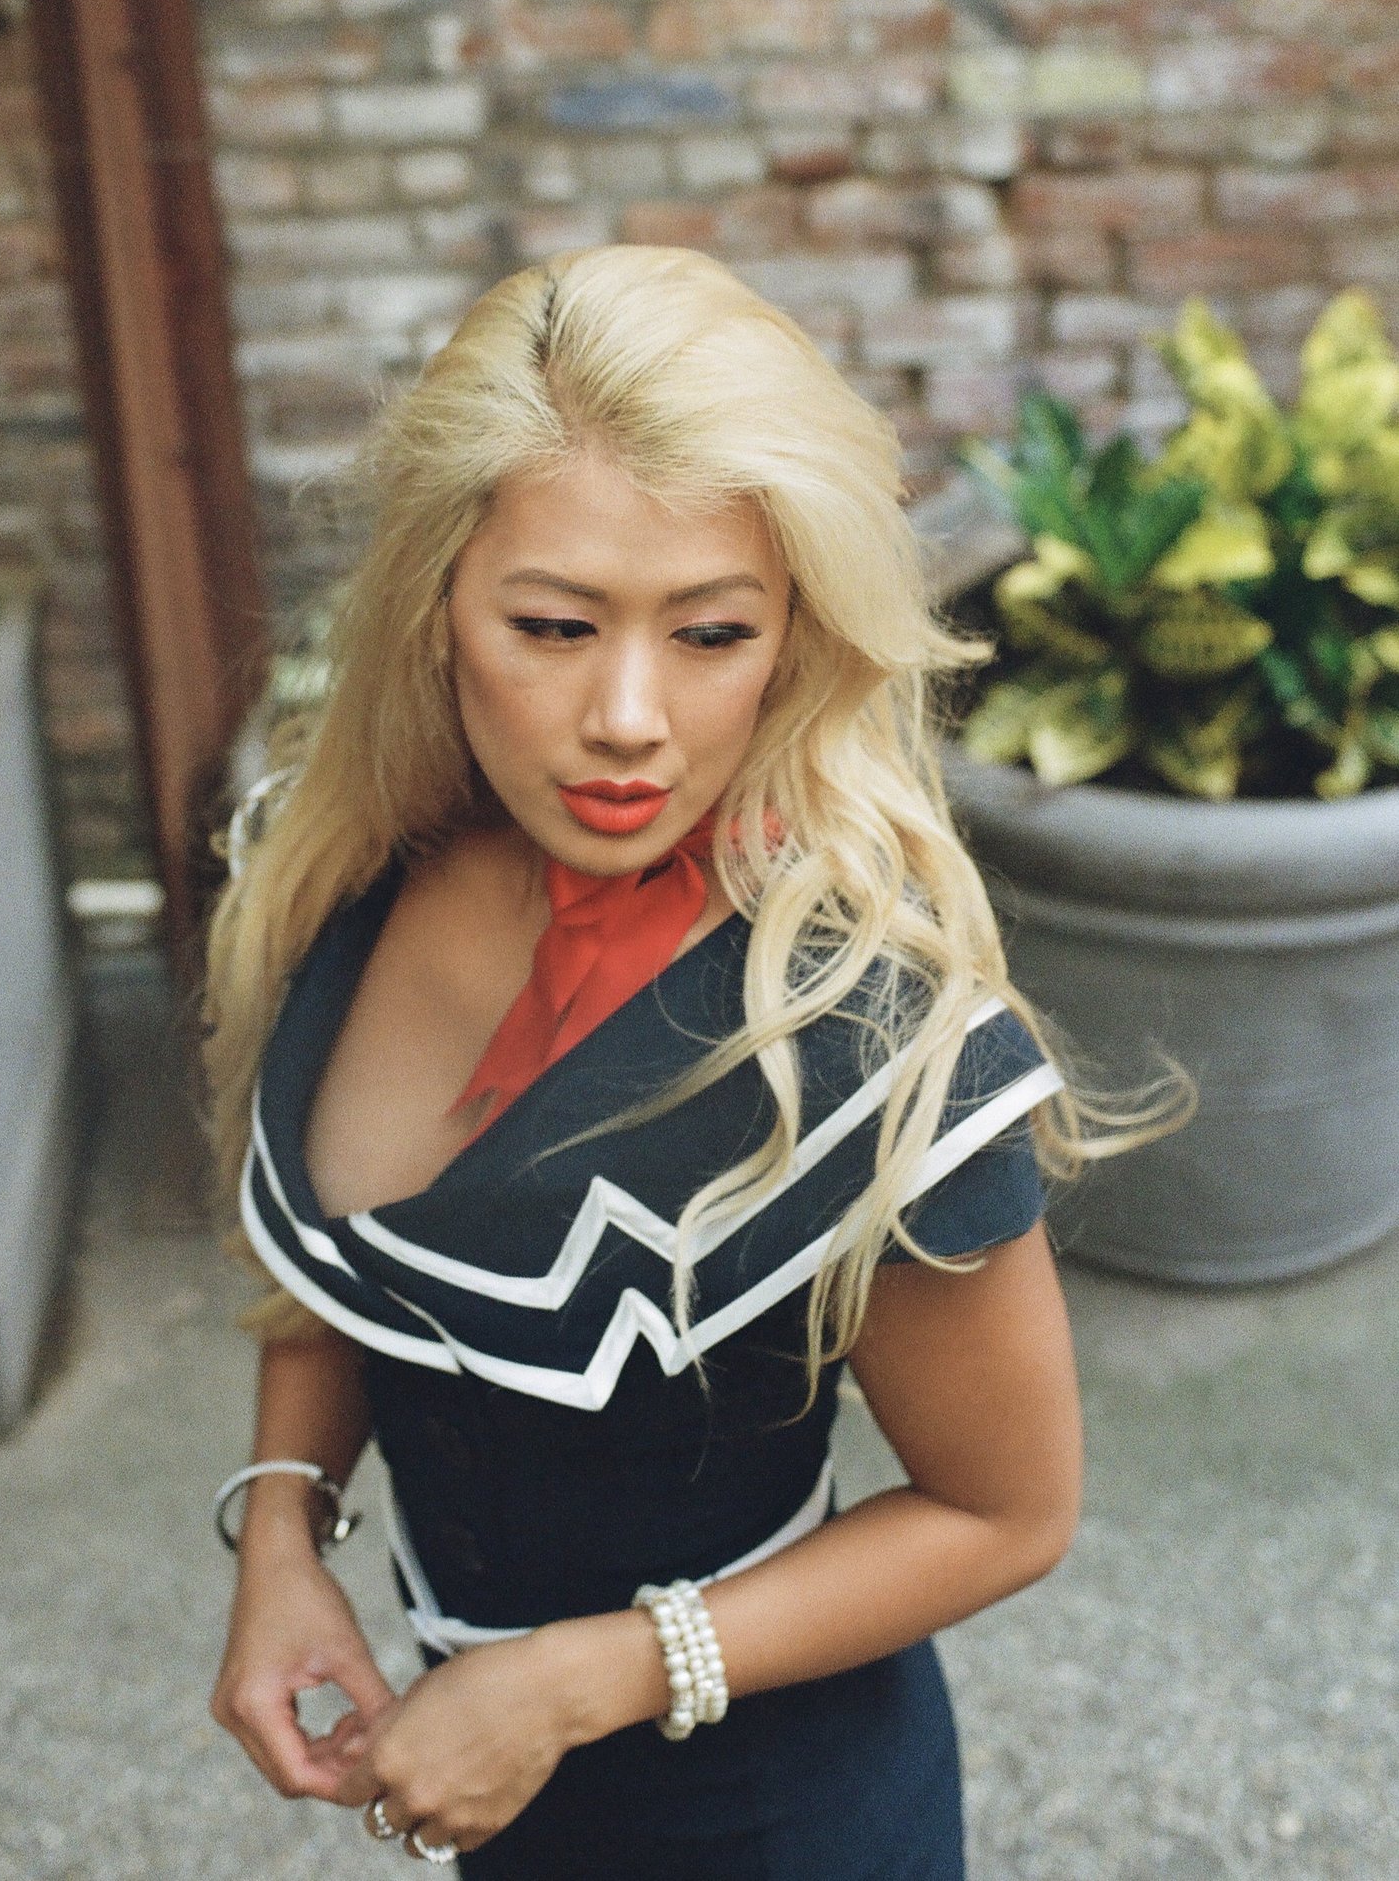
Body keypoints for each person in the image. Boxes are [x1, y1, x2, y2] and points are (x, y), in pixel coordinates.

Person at [202, 245, 1130, 1879]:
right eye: (554, 625)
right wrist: (282, 1529)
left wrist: (578, 1684)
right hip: (486, 1790)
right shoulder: (340, 872)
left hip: (776, 1824)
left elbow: (1007, 1513)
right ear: (435, 607)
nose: (629, 716)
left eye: (709, 633)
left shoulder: (871, 1031)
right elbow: (342, 1274)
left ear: (797, 635)